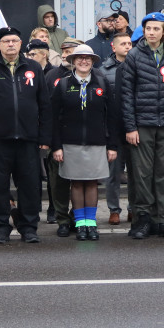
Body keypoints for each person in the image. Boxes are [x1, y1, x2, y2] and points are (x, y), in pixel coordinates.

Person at [0, 27, 52, 244]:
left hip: (28, 140)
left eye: (14, 40)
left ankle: (28, 227)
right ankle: (1, 228)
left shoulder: (33, 68)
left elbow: (44, 105)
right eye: (6, 41)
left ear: (21, 42)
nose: (11, 45)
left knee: (30, 186)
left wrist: (44, 137)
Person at [120, 12, 164, 240]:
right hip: (142, 124)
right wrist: (130, 126)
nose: (152, 32)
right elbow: (126, 94)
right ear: (144, 32)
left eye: (156, 29)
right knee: (142, 174)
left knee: (163, 174)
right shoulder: (134, 55)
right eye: (148, 29)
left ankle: (163, 220)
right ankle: (143, 220)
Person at [50, 44, 116, 241]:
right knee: (77, 184)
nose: (84, 61)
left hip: (97, 143)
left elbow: (112, 118)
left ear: (93, 61)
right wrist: (56, 146)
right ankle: (80, 224)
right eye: (79, 58)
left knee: (92, 183)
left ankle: (91, 223)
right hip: (70, 144)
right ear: (73, 61)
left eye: (88, 58)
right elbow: (53, 119)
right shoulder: (62, 85)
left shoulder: (102, 84)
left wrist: (112, 145)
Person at [100, 31, 133, 226]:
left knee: (135, 174)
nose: (128, 47)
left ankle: (133, 209)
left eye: (130, 43)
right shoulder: (103, 71)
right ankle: (114, 210)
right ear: (114, 47)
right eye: (123, 44)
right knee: (113, 174)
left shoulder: (139, 66)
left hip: (134, 128)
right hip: (114, 130)